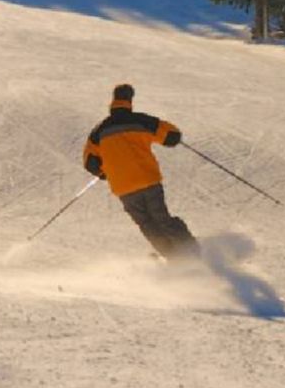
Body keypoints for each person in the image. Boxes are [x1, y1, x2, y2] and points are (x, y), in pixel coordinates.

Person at [82, 84, 199, 260]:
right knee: (162, 218)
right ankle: (191, 251)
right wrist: (174, 138)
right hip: (147, 180)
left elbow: (90, 162)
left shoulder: (99, 131)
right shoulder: (140, 120)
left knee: (146, 224)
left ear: (113, 101)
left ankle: (174, 258)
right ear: (129, 100)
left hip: (123, 188)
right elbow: (171, 135)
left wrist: (105, 173)